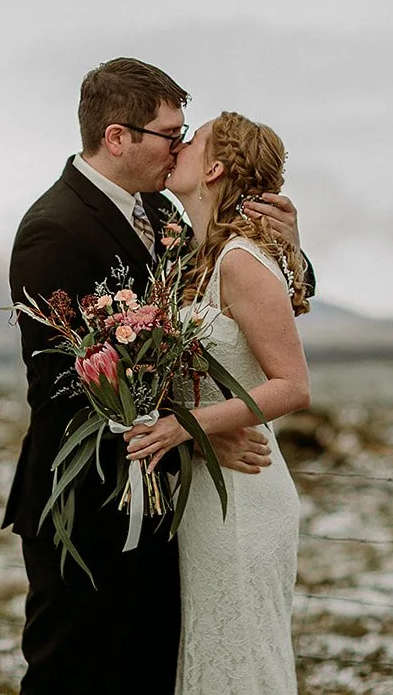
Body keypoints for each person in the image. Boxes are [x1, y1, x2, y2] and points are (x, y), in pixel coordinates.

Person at [4, 58, 310, 695]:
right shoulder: (54, 230)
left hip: (175, 500)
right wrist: (194, 430)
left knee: (151, 671)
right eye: (172, 134)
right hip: (88, 501)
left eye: (185, 135)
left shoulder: (166, 215)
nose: (180, 146)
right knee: (73, 672)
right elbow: (66, 387)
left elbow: (250, 289)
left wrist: (293, 249)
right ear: (118, 137)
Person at [123, 112, 309, 695]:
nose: (177, 145)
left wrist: (185, 429)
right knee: (213, 655)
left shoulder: (239, 261)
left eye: (192, 139)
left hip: (245, 496)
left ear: (215, 167)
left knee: (243, 660)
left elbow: (292, 384)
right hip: (206, 492)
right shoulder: (200, 256)